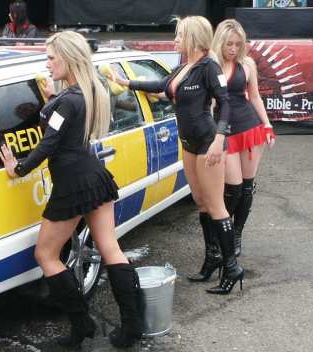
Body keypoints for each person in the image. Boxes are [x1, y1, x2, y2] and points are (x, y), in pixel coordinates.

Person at [0, 31, 143, 349]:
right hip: (94, 176)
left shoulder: (68, 101)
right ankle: (132, 326)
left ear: (68, 57)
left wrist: (18, 168)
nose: (47, 64)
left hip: (73, 184)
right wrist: (51, 100)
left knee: (46, 254)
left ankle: (81, 325)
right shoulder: (89, 91)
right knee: (110, 248)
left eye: (51, 57)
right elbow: (62, 128)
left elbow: (48, 145)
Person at [115, 16, 244, 295]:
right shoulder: (184, 66)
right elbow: (162, 85)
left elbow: (226, 103)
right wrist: (126, 82)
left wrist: (220, 138)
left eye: (179, 35)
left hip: (208, 141)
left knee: (215, 204)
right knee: (200, 202)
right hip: (188, 142)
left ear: (193, 38)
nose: (174, 40)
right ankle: (213, 259)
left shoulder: (209, 66)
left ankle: (231, 267)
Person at [212, 19, 275, 257]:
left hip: (250, 128)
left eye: (238, 44)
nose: (234, 49)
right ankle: (224, 234)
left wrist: (267, 125)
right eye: (229, 44)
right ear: (220, 42)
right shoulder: (212, 64)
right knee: (233, 189)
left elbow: (255, 97)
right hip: (224, 133)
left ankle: (236, 235)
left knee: (247, 188)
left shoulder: (246, 63)